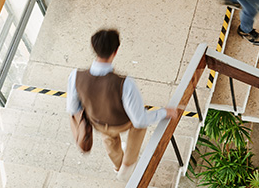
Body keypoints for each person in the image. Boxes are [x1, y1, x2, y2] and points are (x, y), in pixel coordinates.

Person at [66, 29, 180, 180]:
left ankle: (118, 165)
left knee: (109, 140)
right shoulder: (124, 83)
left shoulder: (76, 76)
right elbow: (139, 120)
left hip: (98, 123)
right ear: (116, 50)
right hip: (122, 122)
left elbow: (73, 108)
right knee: (140, 122)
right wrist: (165, 112)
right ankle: (128, 164)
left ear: (94, 48)